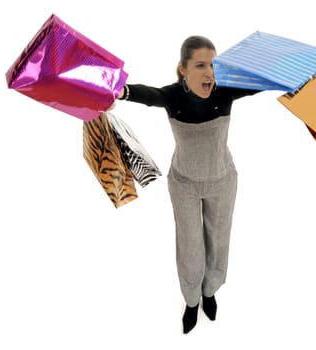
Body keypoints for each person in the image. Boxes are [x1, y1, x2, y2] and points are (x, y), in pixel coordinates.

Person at [116, 35, 260, 334]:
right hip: (184, 184)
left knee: (218, 241)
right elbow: (149, 94)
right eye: (200, 65)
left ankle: (210, 292)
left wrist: (294, 80)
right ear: (182, 69)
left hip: (222, 180)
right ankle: (192, 301)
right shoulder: (172, 97)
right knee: (191, 247)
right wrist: (121, 91)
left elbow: (258, 83)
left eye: (213, 65)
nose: (210, 73)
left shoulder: (224, 93)